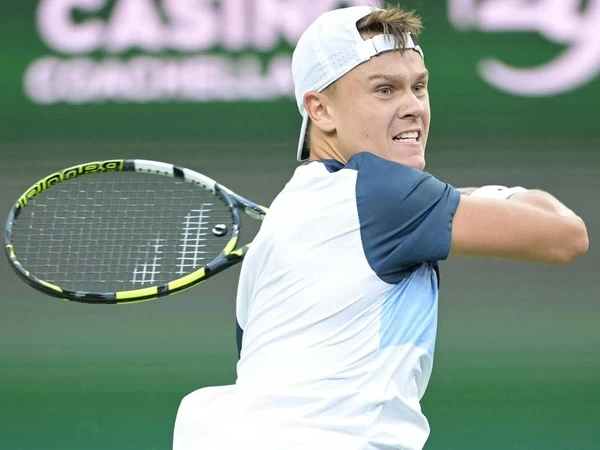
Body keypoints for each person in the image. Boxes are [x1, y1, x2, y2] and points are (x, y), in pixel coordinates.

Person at [173, 5, 589, 450]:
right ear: (321, 110)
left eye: (419, 87)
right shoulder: (382, 194)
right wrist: (491, 194)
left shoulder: (290, 217)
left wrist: (452, 197)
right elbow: (565, 235)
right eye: (385, 90)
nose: (413, 107)